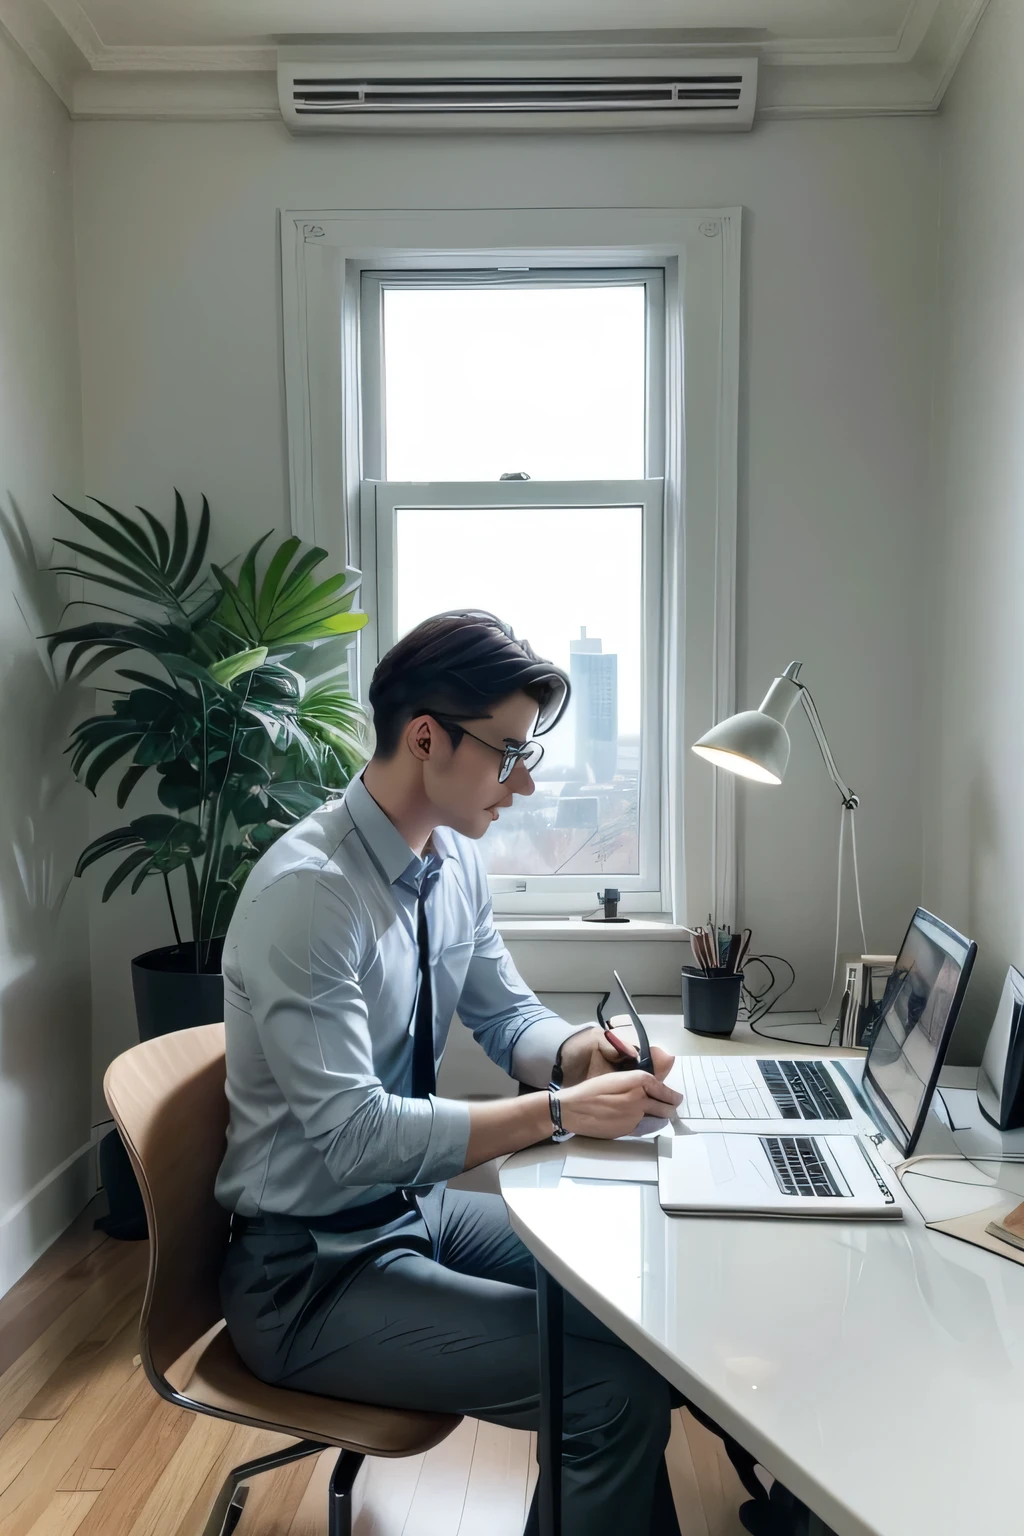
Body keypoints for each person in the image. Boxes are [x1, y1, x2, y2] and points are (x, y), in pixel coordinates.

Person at [216, 608, 686, 1536]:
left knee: (640, 1313)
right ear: (425, 736)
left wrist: (582, 1057)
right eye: (507, 751)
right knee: (610, 1388)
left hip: (406, 1212)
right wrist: (559, 1111)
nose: (527, 780)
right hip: (307, 1273)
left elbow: (507, 1014)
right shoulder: (313, 895)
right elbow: (355, 1139)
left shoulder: (451, 862)